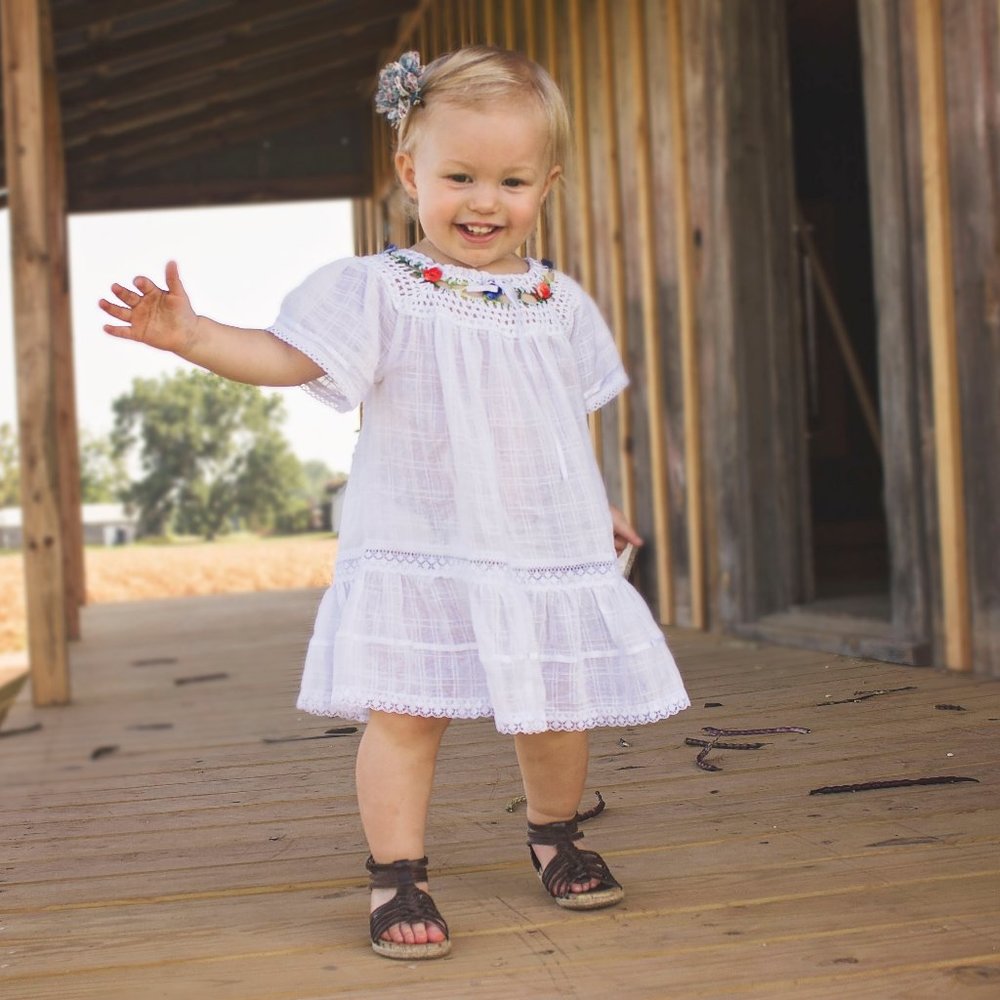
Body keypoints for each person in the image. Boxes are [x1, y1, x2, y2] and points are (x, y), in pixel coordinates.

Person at [99, 45, 689, 961]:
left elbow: (563, 421)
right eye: (459, 176)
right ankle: (399, 871)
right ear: (411, 172)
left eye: (512, 180)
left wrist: (594, 507)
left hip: (540, 540)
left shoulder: (558, 303)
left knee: (556, 705)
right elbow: (287, 357)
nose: (484, 202)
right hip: (424, 534)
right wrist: (196, 336)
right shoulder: (379, 292)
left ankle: (554, 832)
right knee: (408, 711)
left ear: (549, 184)